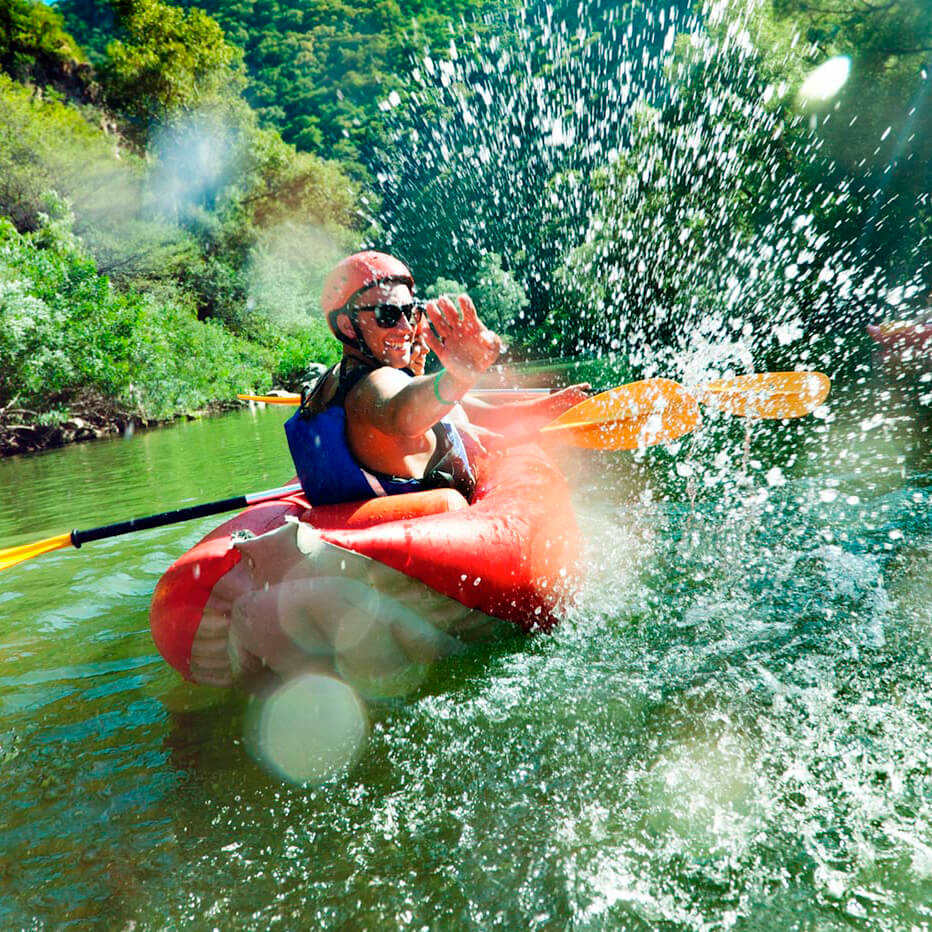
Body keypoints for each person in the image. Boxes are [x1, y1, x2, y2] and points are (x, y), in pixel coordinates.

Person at [285, 250, 589, 506]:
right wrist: (458, 376)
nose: (405, 328)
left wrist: (549, 405)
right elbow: (400, 413)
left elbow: (456, 407)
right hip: (407, 559)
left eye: (411, 312)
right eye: (387, 315)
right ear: (347, 326)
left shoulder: (336, 378)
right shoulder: (371, 387)